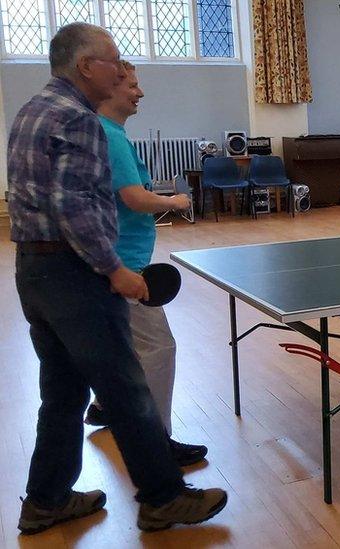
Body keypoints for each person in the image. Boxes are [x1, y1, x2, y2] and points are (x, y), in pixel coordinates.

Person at [9, 22, 226, 535]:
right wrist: (116, 270)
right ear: (87, 66)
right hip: (75, 276)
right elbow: (74, 209)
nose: (121, 67)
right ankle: (163, 498)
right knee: (127, 390)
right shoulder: (78, 119)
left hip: (34, 271)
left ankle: (46, 501)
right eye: (113, 59)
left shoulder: (32, 109)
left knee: (62, 392)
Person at [78, 61, 208, 467]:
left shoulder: (107, 132)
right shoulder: (110, 136)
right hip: (125, 264)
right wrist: (173, 201)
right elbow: (133, 197)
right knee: (158, 348)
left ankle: (102, 407)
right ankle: (157, 443)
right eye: (132, 85)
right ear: (110, 87)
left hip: (117, 259)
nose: (140, 92)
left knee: (123, 343)